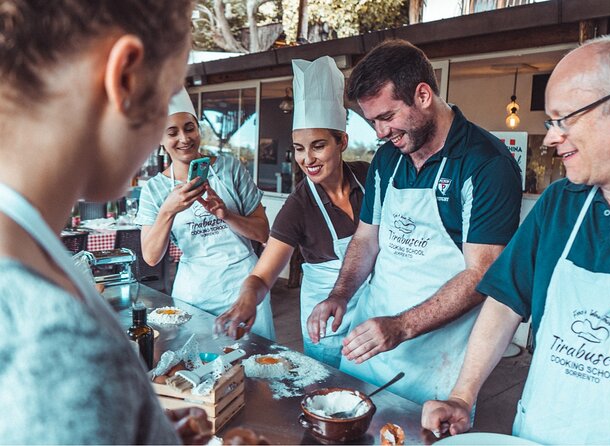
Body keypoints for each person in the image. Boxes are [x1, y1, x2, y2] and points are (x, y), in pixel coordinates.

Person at [421, 35, 610, 445]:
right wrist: (462, 396)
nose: (551, 138)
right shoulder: (559, 203)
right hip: (535, 434)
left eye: (562, 119)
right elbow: (504, 302)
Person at [0, 0, 210, 443]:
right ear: (126, 79)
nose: (164, 137)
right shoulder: (60, 342)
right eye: (168, 88)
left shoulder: (25, 240)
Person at [307, 40, 523, 404]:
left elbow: (483, 273)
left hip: (434, 364)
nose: (379, 133)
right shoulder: (387, 160)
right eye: (372, 121)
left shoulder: (486, 165)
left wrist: (401, 326)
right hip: (369, 346)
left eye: (387, 117)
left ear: (422, 95)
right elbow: (366, 239)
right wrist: (340, 294)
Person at [215, 56, 369, 368]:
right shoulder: (299, 205)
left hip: (373, 316)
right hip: (327, 325)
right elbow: (261, 274)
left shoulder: (368, 178)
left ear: (342, 141)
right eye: (299, 148)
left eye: (318, 145)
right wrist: (247, 300)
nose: (307, 158)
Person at [136, 88, 275, 340]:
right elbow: (151, 257)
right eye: (172, 132)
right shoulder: (154, 190)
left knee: (253, 364)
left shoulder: (229, 168)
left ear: (198, 129)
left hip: (243, 286)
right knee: (196, 364)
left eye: (189, 128)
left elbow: (263, 232)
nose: (184, 138)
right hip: (195, 292)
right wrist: (168, 209)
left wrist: (226, 214)